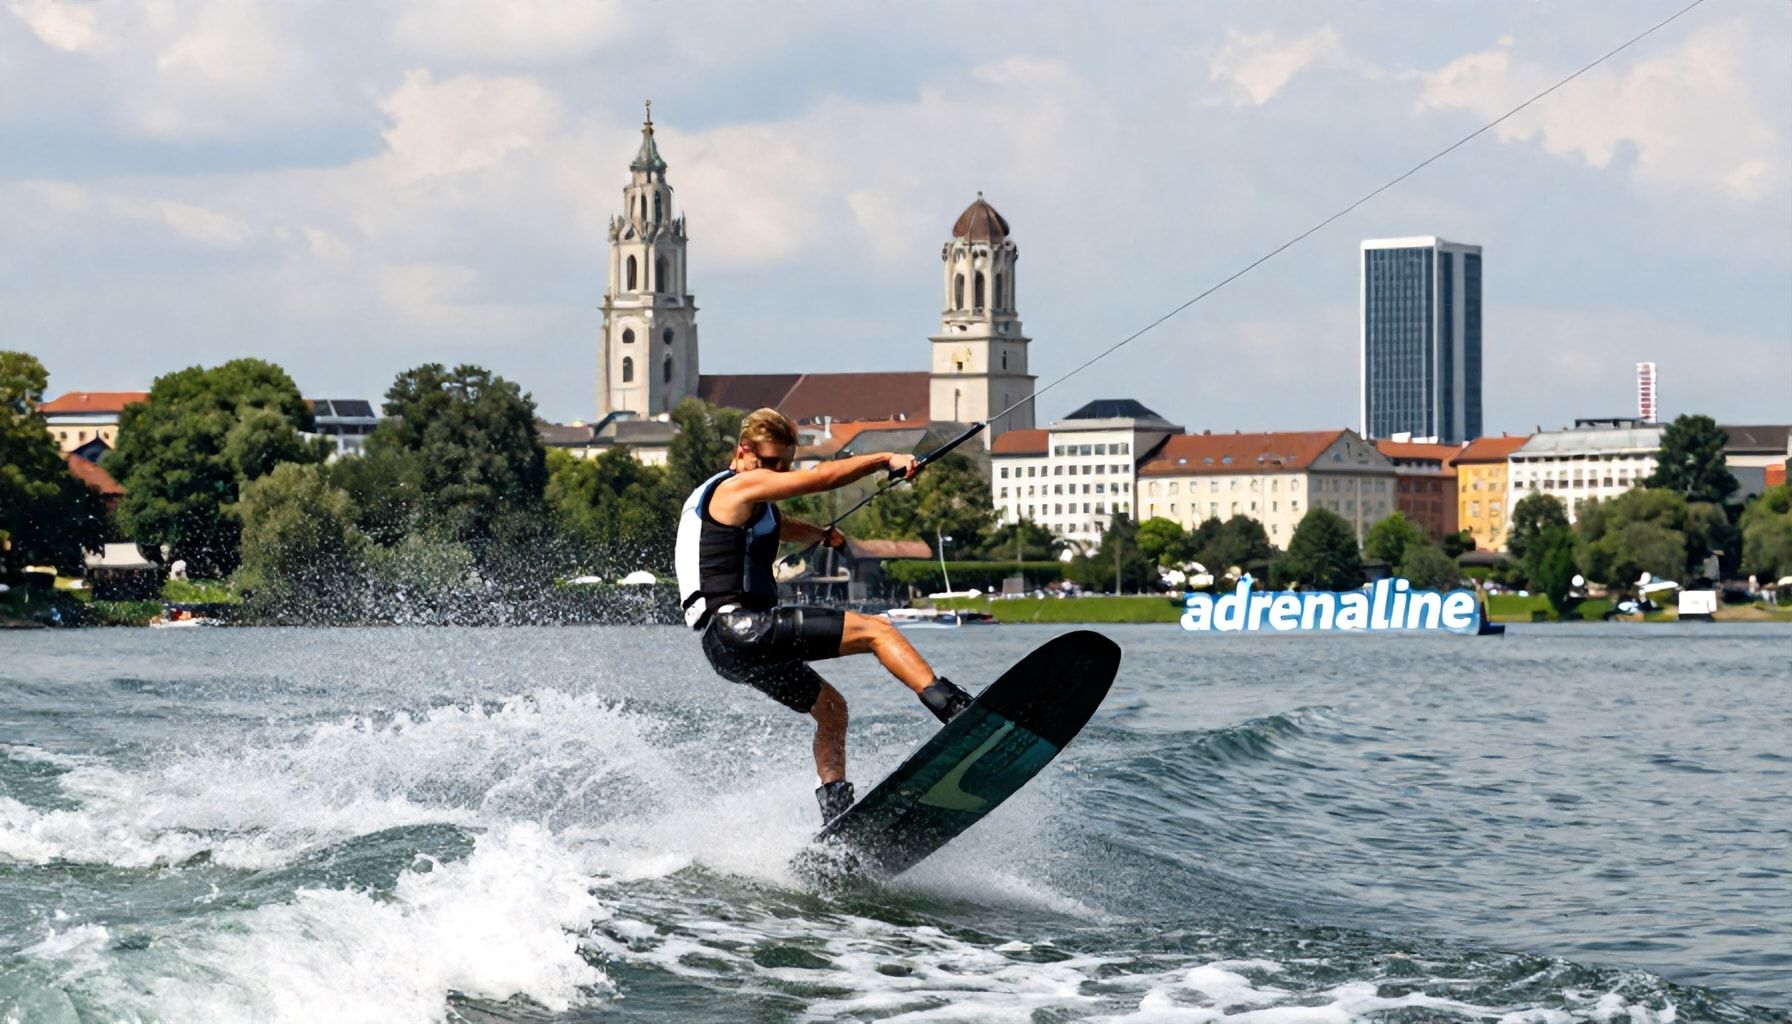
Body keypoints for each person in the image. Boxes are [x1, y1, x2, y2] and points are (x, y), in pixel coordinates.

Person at [675, 408, 974, 825]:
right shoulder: (738, 485)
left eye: (785, 464)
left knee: (831, 709)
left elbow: (778, 525)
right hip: (741, 627)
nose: (778, 473)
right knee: (877, 631)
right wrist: (883, 459)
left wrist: (819, 535)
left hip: (724, 648)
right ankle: (957, 711)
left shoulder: (741, 500)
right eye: (771, 463)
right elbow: (817, 480)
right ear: (744, 451)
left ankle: (836, 814)